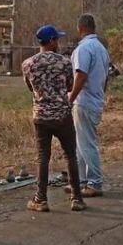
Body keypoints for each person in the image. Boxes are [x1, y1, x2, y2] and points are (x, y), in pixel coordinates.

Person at [21, 25, 85, 212]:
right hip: (63, 115)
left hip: (41, 116)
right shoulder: (65, 63)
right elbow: (69, 86)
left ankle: (41, 199)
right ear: (51, 41)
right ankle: (77, 198)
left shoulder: (28, 64)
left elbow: (30, 88)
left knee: (43, 157)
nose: (59, 42)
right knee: (70, 155)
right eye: (57, 39)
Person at [68, 13, 110, 197]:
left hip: (84, 101)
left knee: (87, 144)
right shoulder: (101, 48)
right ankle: (80, 181)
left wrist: (70, 98)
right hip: (95, 99)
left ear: (80, 29)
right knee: (80, 143)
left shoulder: (84, 48)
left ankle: (94, 182)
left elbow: (81, 75)